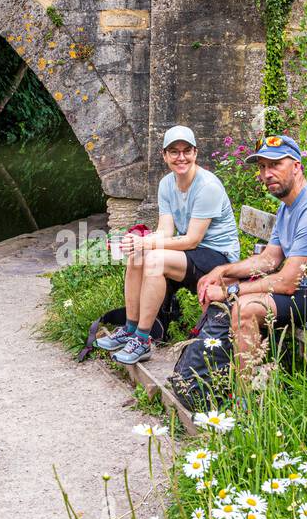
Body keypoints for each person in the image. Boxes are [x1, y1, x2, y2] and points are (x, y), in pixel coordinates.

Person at [195, 133, 307, 376]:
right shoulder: (288, 206)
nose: (266, 173)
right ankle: (210, 369)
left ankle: (245, 397)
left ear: (296, 166)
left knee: (245, 308)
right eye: (262, 167)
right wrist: (222, 272)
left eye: (275, 164)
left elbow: (287, 282)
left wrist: (231, 291)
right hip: (306, 288)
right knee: (223, 281)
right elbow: (268, 260)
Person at [97, 124, 241, 364]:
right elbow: (165, 231)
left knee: (153, 259)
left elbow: (192, 239)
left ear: (195, 153)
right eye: (174, 151)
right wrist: (140, 242)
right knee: (138, 256)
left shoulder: (208, 187)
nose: (181, 157)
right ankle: (130, 329)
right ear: (165, 156)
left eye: (186, 151)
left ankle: (143, 341)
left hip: (218, 257)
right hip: (192, 253)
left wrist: (147, 245)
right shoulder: (166, 184)